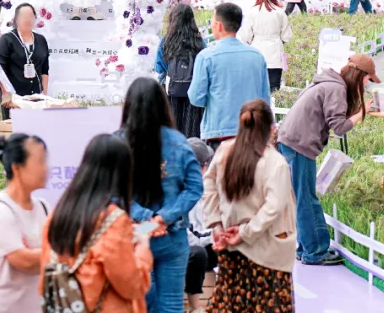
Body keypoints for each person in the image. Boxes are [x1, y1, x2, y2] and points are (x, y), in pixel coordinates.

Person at [277, 54, 378, 267]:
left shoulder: (328, 82)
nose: (367, 84)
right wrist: (361, 113)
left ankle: (306, 248)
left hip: (291, 141)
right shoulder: (336, 89)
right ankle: (315, 253)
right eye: (368, 79)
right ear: (359, 75)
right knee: (306, 199)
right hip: (299, 144)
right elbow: (340, 127)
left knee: (302, 198)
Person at [39, 134, 153, 313]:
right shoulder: (113, 220)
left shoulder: (57, 214)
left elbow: (45, 273)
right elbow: (132, 285)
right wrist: (143, 249)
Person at [202, 99, 296, 313]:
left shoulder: (225, 151)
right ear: (272, 128)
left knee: (231, 305)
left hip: (230, 247)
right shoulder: (275, 162)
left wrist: (216, 225)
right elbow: (273, 207)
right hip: (268, 255)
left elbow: (208, 186)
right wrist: (245, 233)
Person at [122, 78, 204, 313]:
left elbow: (113, 190)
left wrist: (146, 218)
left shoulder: (119, 141)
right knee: (172, 304)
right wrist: (163, 218)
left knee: (140, 304)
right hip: (173, 235)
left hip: (134, 234)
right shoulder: (179, 142)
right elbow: (194, 188)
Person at [189, 3, 271, 150]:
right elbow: (265, 99)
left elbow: (196, 98)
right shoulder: (257, 56)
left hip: (219, 131)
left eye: (212, 21)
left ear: (219, 25)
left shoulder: (206, 57)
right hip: (251, 132)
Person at [0, 134, 49, 313]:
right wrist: (55, 251)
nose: (46, 168)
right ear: (17, 168)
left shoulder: (43, 207)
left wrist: (42, 252)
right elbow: (24, 261)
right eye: (40, 161)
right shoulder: (0, 210)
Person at [155, 4, 206, 138]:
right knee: (192, 129)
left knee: (172, 126)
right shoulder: (199, 42)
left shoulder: (165, 42)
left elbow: (159, 68)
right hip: (193, 92)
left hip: (171, 92)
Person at [0, 3, 50, 118]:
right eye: (23, 16)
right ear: (16, 19)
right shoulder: (7, 40)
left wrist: (44, 93)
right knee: (16, 128)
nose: (27, 19)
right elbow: (0, 69)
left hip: (37, 97)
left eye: (30, 16)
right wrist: (7, 95)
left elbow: (45, 69)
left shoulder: (41, 40)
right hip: (15, 98)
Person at [238, 0, 292, 93]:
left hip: (256, 53)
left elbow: (245, 36)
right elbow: (287, 36)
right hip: (275, 54)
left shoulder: (252, 12)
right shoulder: (280, 12)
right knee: (274, 89)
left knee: (256, 88)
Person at [184, 138, 216, 313]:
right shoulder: (181, 189)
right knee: (198, 254)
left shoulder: (205, 187)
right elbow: (191, 235)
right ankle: (194, 306)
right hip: (181, 248)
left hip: (196, 243)